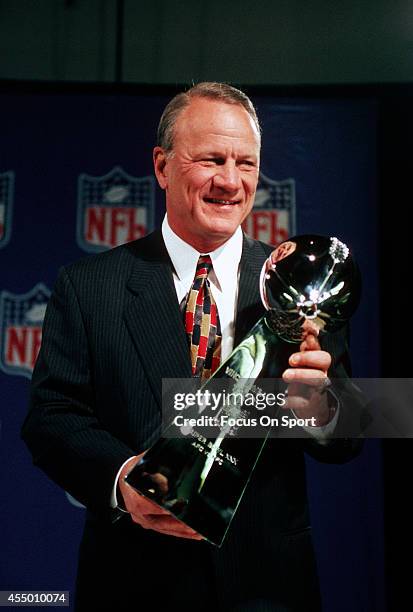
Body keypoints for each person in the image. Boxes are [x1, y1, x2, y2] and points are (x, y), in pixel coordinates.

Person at [22, 82, 361, 612]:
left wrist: (318, 408)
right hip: (133, 583)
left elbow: (349, 433)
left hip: (269, 585)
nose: (230, 181)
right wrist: (123, 480)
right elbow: (50, 417)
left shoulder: (297, 286)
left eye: (245, 163)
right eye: (211, 159)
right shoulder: (89, 287)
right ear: (161, 167)